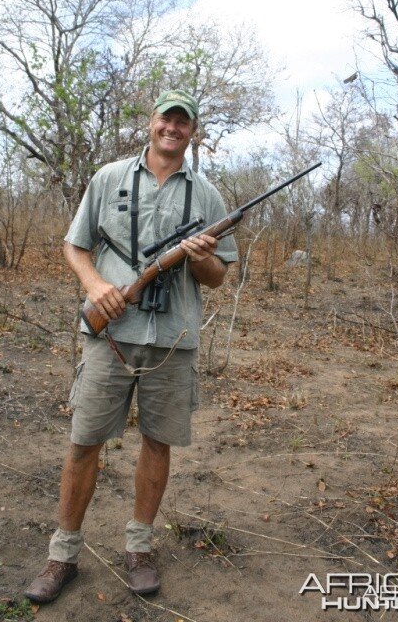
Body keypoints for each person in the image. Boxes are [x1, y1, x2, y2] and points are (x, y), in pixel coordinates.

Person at [24, 89, 238, 602]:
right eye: (167, 118)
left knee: (158, 442)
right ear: (152, 122)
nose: (173, 129)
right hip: (110, 337)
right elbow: (76, 245)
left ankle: (139, 548)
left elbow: (217, 277)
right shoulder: (108, 178)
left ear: (193, 131)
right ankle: (63, 555)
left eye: (183, 122)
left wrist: (199, 256)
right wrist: (98, 288)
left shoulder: (207, 195)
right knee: (84, 441)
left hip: (173, 340)